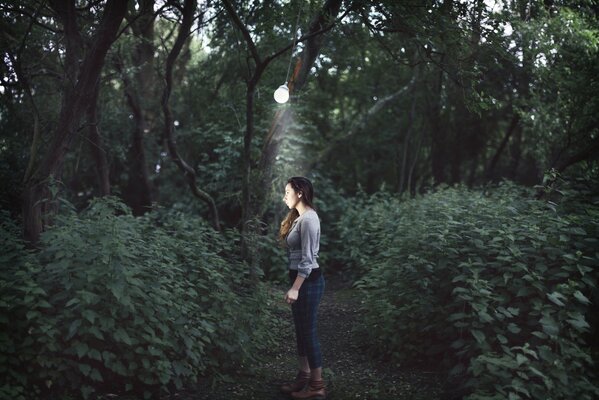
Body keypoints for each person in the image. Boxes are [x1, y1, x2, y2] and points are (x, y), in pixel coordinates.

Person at [279, 176, 326, 399]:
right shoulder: (299, 218)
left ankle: (317, 386)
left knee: (308, 333)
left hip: (308, 281)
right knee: (300, 331)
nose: (284, 197)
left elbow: (308, 259)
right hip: (300, 280)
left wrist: (295, 287)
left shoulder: (309, 219)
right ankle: (304, 376)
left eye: (287, 192)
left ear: (299, 193)